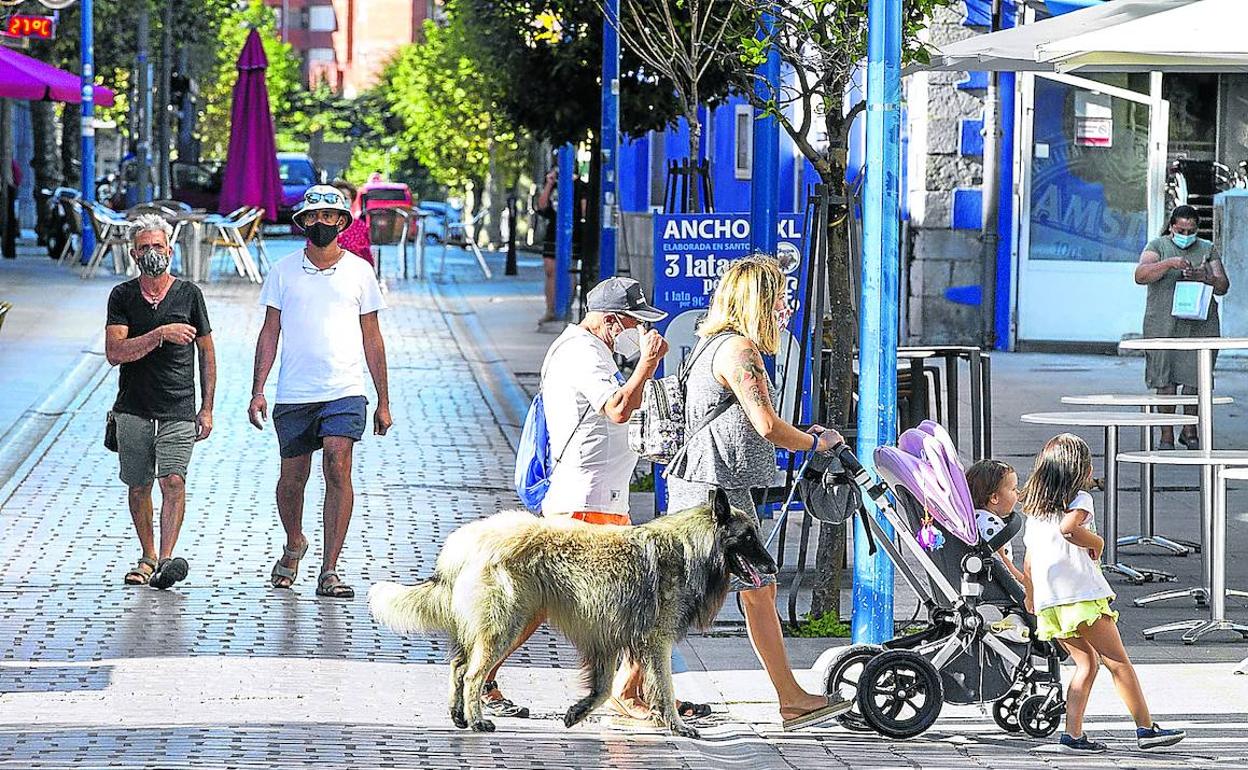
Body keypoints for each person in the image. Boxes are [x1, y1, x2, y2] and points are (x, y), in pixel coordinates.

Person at [665, 255, 853, 731]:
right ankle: (630, 685)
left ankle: (789, 697)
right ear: (757, 301)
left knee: (755, 589)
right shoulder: (739, 351)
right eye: (779, 298)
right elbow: (766, 426)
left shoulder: (713, 344)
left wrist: (803, 435)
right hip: (714, 494)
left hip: (715, 488)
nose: (785, 308)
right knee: (689, 596)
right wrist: (816, 442)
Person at [249, 185, 392, 599]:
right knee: (292, 480)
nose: (322, 223)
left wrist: (383, 399)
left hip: (345, 390)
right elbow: (269, 331)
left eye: (330, 217)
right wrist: (257, 389)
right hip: (294, 391)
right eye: (314, 217)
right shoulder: (283, 270)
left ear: (342, 222)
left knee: (337, 463)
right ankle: (294, 542)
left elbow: (373, 337)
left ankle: (330, 568)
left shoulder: (360, 272)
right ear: (303, 222)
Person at [1019, 433, 1186, 753]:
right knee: (1118, 662)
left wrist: (1031, 598)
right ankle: (1146, 728)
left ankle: (1073, 734)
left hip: (1050, 602)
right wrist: (1097, 544)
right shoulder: (1080, 499)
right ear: (1077, 470)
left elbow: (1028, 560)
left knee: (1087, 664)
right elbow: (1069, 530)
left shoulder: (1035, 512)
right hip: (1080, 598)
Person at [105, 213, 216, 589]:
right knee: (138, 486)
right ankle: (147, 555)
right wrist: (159, 334)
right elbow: (115, 351)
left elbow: (207, 351)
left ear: (170, 250)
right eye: (144, 248)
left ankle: (167, 560)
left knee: (172, 480)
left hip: (178, 408)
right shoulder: (122, 296)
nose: (152, 252)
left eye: (158, 246)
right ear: (134, 254)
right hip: (133, 407)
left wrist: (207, 407)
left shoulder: (189, 295)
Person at [1134, 204, 1230, 449]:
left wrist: (1204, 276)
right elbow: (1141, 275)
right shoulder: (1157, 246)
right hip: (1163, 324)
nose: (1186, 235)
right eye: (1181, 230)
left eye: (1191, 231)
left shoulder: (1207, 249)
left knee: (1195, 379)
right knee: (1165, 380)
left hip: (1199, 325)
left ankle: (1190, 430)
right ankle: (1166, 433)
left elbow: (1222, 285)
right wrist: (1169, 264)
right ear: (1172, 227)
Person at [966, 459, 1025, 584]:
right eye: (1014, 489)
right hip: (993, 582)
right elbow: (1004, 566)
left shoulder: (974, 519)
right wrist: (1024, 584)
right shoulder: (991, 526)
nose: (1018, 493)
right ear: (994, 498)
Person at [329, 178, 373, 266]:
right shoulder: (320, 224)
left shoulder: (359, 226)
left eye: (345, 198)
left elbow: (366, 255)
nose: (341, 201)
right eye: (337, 197)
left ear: (351, 201)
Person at [535, 166, 558, 324]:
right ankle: (550, 309)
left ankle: (563, 307)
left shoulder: (580, 187)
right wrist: (549, 184)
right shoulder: (552, 188)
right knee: (550, 271)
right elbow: (542, 206)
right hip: (553, 232)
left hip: (572, 233)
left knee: (567, 271)